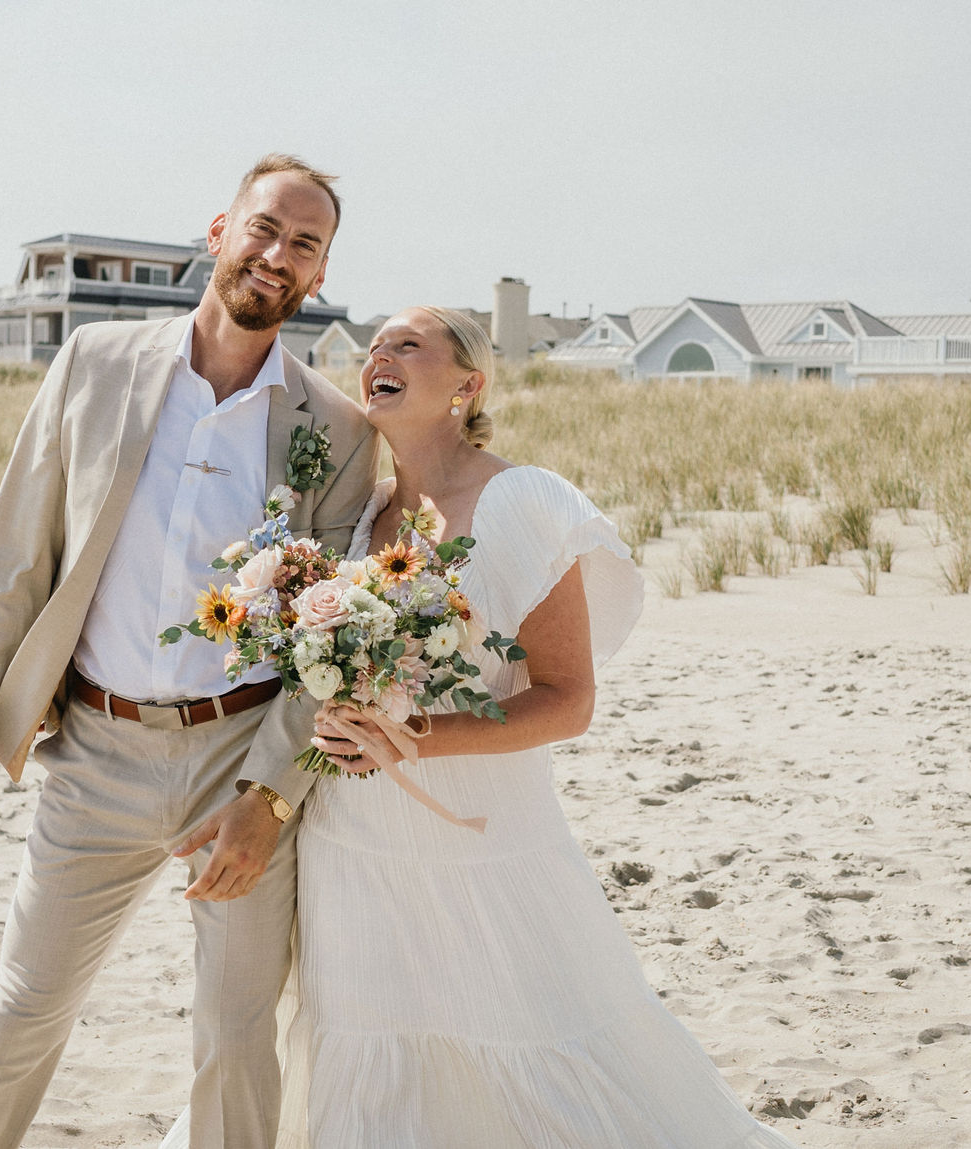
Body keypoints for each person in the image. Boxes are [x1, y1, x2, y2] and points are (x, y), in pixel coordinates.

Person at [0, 155, 380, 1149]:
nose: (277, 254)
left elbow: (330, 649)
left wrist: (271, 798)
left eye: (305, 243)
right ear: (217, 232)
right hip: (92, 756)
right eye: (263, 228)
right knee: (17, 1021)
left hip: (239, 759)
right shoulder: (94, 364)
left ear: (319, 275)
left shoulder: (337, 432)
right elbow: (14, 556)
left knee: (233, 1043)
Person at [289, 306, 799, 1148]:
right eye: (375, 344)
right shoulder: (355, 512)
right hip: (351, 842)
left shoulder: (520, 499)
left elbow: (568, 696)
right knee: (369, 1044)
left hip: (485, 838)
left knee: (529, 1031)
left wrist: (418, 735)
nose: (378, 354)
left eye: (407, 344)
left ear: (467, 384)